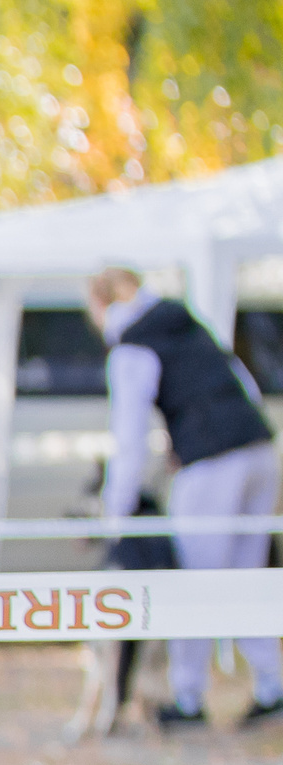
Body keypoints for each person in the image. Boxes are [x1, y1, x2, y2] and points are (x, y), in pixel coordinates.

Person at [88, 267, 283, 730]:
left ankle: (188, 697)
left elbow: (130, 436)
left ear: (101, 303)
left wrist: (116, 511)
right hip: (258, 450)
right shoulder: (186, 321)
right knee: (244, 579)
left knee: (193, 583)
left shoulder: (132, 344)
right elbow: (244, 386)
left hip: (211, 460)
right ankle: (273, 685)